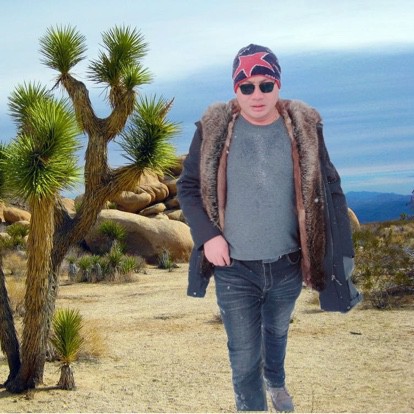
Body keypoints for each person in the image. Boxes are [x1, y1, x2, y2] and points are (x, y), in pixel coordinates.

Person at [177, 44, 361, 412]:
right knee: (244, 355)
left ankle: (275, 381)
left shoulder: (305, 129)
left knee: (276, 333)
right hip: (234, 268)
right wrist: (208, 237)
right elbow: (188, 187)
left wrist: (332, 252)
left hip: (287, 263)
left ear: (278, 84)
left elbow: (330, 186)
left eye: (265, 84)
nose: (256, 94)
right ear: (236, 89)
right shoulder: (213, 130)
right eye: (247, 86)